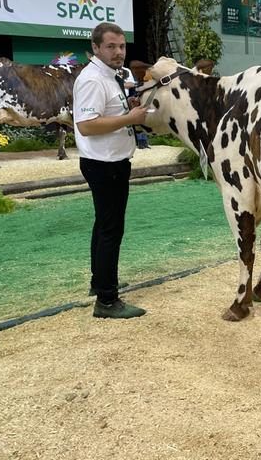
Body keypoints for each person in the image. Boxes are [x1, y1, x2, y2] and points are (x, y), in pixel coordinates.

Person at [73, 23, 150, 319]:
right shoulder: (93, 79)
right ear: (95, 47)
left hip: (110, 162)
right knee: (111, 229)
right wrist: (129, 117)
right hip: (105, 165)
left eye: (121, 47)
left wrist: (125, 109)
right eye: (111, 47)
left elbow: (104, 113)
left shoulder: (109, 76)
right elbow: (87, 125)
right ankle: (107, 300)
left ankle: (100, 281)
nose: (118, 52)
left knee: (104, 225)